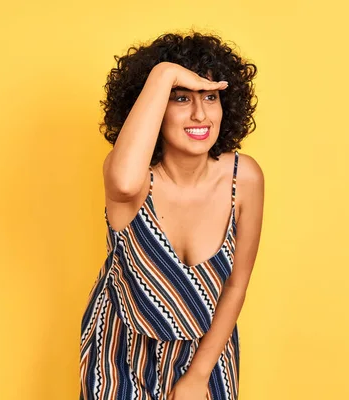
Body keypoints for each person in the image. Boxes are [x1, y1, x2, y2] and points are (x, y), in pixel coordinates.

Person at [79, 31, 264, 400]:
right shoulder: (131, 178)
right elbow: (124, 184)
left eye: (210, 97)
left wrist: (198, 376)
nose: (200, 114)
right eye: (181, 98)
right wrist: (163, 74)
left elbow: (236, 285)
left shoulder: (244, 178)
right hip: (120, 353)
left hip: (208, 352)